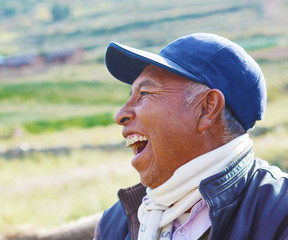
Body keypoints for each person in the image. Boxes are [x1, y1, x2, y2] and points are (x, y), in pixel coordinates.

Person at [94, 33, 288, 240]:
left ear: (207, 108)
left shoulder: (280, 213)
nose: (120, 115)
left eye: (145, 93)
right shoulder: (114, 224)